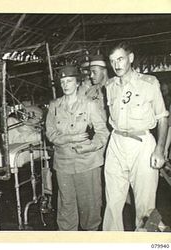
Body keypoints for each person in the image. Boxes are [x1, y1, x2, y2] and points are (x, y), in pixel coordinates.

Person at [103, 41, 169, 231]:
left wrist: (160, 150)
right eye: (113, 61)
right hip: (116, 143)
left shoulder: (149, 83)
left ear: (130, 59)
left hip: (142, 145)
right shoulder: (109, 86)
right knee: (113, 203)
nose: (117, 65)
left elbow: (162, 118)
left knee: (145, 207)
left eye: (121, 59)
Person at [46, 64, 109, 231]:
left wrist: (91, 147)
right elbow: (51, 134)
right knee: (66, 208)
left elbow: (103, 132)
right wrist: (71, 138)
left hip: (87, 163)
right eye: (63, 81)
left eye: (70, 81)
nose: (66, 85)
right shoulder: (54, 106)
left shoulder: (89, 104)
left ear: (77, 83)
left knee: (90, 208)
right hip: (63, 164)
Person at [86, 54, 109, 119]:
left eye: (94, 72)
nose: (91, 76)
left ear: (104, 72)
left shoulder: (115, 89)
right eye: (90, 72)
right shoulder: (90, 92)